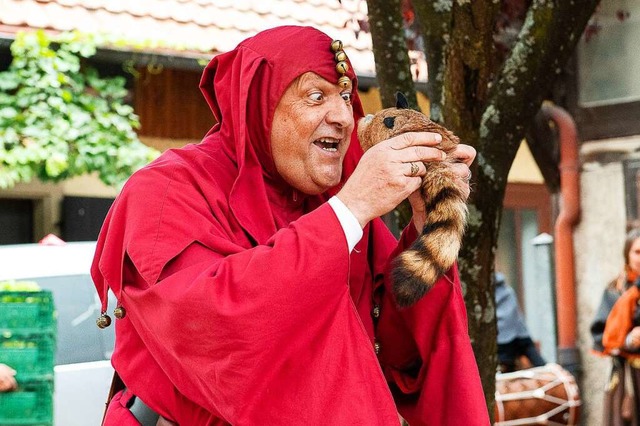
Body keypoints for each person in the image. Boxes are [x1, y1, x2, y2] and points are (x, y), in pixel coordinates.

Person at [92, 25, 488, 425]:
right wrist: (348, 213)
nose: (343, 116)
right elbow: (212, 327)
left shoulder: (336, 205)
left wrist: (428, 227)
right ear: (259, 105)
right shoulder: (166, 189)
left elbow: (399, 352)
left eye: (346, 96)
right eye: (316, 96)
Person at [591, 227, 640, 425]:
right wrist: (628, 340)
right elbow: (602, 338)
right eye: (637, 252)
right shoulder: (615, 292)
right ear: (627, 255)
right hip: (628, 380)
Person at [495, 272, 546, 373]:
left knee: (507, 373)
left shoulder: (495, 295)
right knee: (541, 367)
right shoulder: (508, 291)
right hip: (520, 335)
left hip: (504, 340)